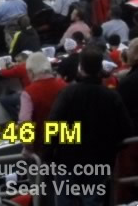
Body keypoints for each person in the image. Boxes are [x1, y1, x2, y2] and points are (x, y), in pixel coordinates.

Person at [46, 50, 134, 205]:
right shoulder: (111, 96)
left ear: (81, 68)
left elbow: (53, 123)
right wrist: (110, 149)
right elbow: (126, 130)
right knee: (93, 200)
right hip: (99, 159)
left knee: (67, 200)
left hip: (68, 158)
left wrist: (48, 154)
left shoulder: (68, 93)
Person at [19, 51, 66, 155]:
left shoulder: (28, 92)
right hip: (67, 145)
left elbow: (25, 123)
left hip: (43, 148)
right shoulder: (64, 86)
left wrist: (28, 147)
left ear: (31, 72)